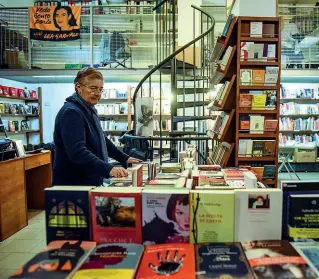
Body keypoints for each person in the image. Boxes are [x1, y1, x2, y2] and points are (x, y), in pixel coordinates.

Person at [52, 67, 140, 186]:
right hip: (74, 186)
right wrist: (109, 169)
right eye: (93, 88)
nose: (98, 93)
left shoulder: (89, 111)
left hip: (88, 181)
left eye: (100, 89)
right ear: (78, 87)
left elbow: (102, 141)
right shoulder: (71, 113)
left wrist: (124, 158)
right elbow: (77, 152)